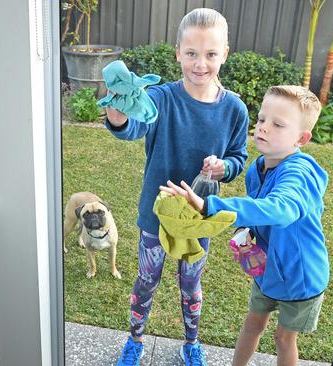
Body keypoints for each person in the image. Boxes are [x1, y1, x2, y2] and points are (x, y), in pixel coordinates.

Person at [106, 8, 250, 366]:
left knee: (190, 285)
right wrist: (117, 110)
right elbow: (132, 128)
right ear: (177, 53)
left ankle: (191, 342)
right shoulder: (160, 99)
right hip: (156, 216)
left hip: (198, 218)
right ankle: (136, 341)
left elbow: (238, 158)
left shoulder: (234, 109)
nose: (200, 63)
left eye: (211, 54)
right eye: (191, 54)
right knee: (146, 280)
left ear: (225, 54)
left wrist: (224, 167)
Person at [161, 85, 329, 366]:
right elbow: (257, 212)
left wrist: (211, 205)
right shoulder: (258, 167)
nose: (263, 128)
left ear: (301, 138)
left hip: (301, 278)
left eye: (278, 124)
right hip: (267, 273)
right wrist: (245, 233)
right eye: (262, 119)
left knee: (283, 339)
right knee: (252, 324)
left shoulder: (300, 175)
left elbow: (281, 209)